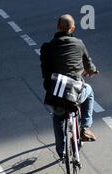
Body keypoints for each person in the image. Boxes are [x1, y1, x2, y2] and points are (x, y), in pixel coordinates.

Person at [40, 14, 98, 161]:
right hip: (76, 91)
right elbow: (88, 64)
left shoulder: (47, 48)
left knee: (58, 117)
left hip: (57, 91)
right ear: (73, 28)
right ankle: (85, 127)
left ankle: (61, 151)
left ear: (58, 27)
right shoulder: (78, 43)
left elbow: (45, 71)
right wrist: (92, 71)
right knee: (89, 92)